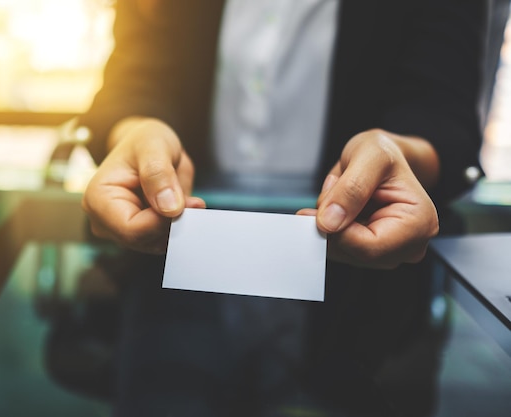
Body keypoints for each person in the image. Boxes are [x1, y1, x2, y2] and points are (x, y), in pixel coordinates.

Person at [78, 0, 487, 415]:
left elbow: (443, 110)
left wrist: (398, 153)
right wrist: (136, 130)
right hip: (175, 274)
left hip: (358, 301)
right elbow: (135, 72)